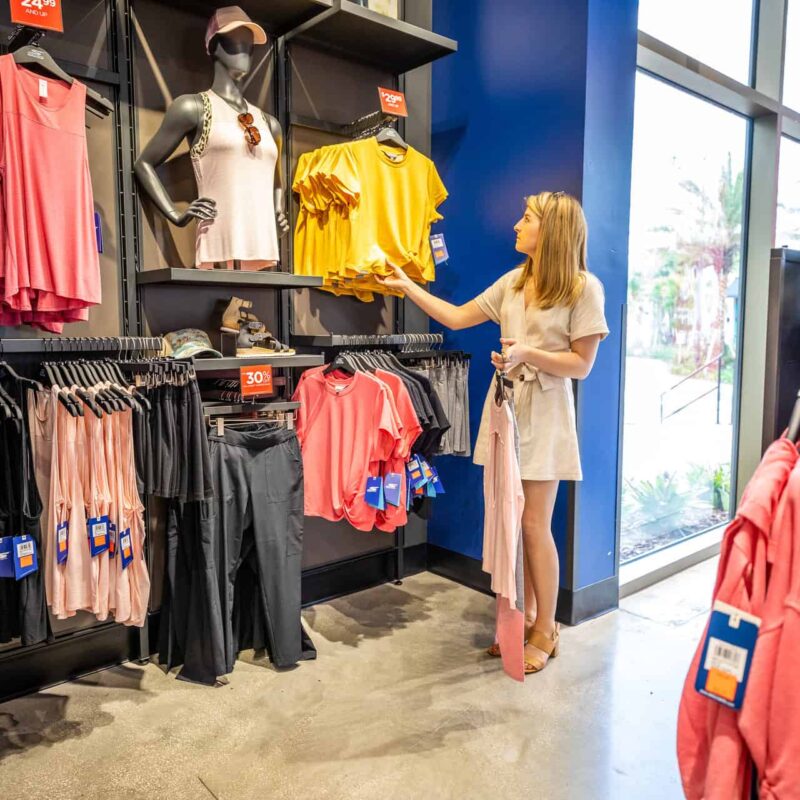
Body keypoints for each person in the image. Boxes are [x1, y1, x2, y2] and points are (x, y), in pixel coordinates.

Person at [378, 191, 609, 674]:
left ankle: (547, 628)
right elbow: (458, 316)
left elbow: (582, 365)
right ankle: (519, 620)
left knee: (532, 524)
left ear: (553, 230)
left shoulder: (583, 289)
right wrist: (406, 287)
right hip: (506, 408)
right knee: (507, 520)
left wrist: (527, 354)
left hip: (546, 412)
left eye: (527, 218)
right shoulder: (513, 282)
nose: (516, 225)